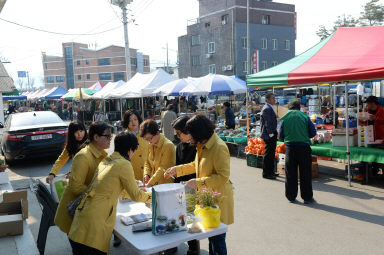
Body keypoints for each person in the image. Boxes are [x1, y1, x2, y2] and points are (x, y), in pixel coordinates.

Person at [67, 132, 151, 255]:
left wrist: (133, 186)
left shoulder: (107, 160)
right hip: (93, 229)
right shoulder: (124, 164)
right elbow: (137, 196)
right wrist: (154, 196)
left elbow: (110, 187)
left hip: (79, 225)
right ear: (130, 150)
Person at [164, 115, 234, 255]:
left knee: (218, 240)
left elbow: (223, 176)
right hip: (207, 198)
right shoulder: (202, 145)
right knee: (211, 238)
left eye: (190, 134)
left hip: (218, 199)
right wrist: (177, 170)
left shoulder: (219, 147)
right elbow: (195, 165)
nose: (188, 137)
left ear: (199, 132)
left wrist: (199, 182)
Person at [54, 121, 112, 235]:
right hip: (75, 212)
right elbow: (76, 187)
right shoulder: (83, 155)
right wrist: (52, 173)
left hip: (85, 210)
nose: (110, 138)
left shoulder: (102, 154)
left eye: (81, 131)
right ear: (96, 137)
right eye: (107, 136)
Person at [279, 101, 317, 204]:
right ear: (299, 108)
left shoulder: (284, 117)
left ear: (289, 108)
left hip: (290, 148)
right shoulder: (305, 116)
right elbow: (313, 132)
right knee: (305, 173)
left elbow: (281, 136)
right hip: (304, 148)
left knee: (290, 173)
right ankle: (307, 197)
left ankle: (291, 196)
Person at [171, 116, 199, 255]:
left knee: (191, 218)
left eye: (179, 133)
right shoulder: (179, 147)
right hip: (180, 187)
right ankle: (176, 243)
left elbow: (196, 168)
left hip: (193, 187)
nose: (178, 136)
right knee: (179, 217)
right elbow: (177, 166)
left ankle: (194, 246)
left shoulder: (197, 146)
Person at [140, 119, 175, 187]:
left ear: (157, 133)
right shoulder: (151, 144)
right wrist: (146, 174)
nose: (148, 141)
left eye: (150, 138)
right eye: (146, 139)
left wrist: (150, 182)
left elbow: (163, 168)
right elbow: (147, 162)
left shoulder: (168, 146)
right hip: (154, 185)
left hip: (166, 186)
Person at [121, 110, 149, 181]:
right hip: (132, 173)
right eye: (130, 120)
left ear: (139, 120)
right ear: (126, 122)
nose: (133, 122)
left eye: (135, 119)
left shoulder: (146, 133)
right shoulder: (123, 137)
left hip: (148, 173)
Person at [260, 93, 278, 179]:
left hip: (272, 133)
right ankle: (266, 173)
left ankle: (271, 171)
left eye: (274, 98)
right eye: (273, 98)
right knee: (268, 154)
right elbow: (268, 123)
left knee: (271, 154)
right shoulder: (267, 108)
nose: (274, 100)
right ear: (267, 100)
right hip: (269, 134)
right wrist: (271, 133)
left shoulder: (270, 107)